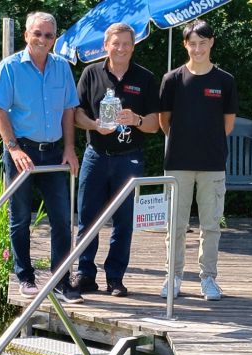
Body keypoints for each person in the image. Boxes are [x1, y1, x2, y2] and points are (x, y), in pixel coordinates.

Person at [0, 11, 83, 304]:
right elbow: (0, 110)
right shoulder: (10, 67)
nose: (43, 39)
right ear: (27, 35)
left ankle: (60, 281)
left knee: (63, 219)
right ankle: (25, 277)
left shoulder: (62, 68)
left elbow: (69, 110)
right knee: (19, 219)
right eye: (38, 34)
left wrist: (70, 148)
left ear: (55, 38)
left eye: (49, 35)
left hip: (55, 152)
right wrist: (13, 148)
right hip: (22, 152)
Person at [72, 23, 160, 298]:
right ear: (105, 45)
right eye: (116, 43)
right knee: (88, 218)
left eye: (126, 44)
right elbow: (76, 114)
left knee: (124, 221)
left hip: (129, 159)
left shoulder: (145, 78)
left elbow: (155, 125)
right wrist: (95, 125)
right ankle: (85, 274)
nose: (121, 48)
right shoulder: (91, 73)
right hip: (95, 156)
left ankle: (115, 278)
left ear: (133, 47)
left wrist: (136, 120)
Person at [158, 19, 238, 301]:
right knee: (175, 226)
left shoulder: (225, 80)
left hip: (213, 164)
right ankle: (174, 276)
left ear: (211, 43)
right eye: (192, 43)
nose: (198, 48)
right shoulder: (172, 79)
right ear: (185, 45)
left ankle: (208, 279)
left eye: (203, 43)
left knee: (211, 225)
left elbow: (227, 126)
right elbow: (164, 122)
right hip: (177, 163)